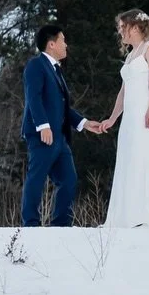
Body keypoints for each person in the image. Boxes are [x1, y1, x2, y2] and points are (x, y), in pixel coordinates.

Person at [87, 8, 149, 228]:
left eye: (122, 28)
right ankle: (125, 216)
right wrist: (113, 118)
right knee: (127, 160)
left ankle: (143, 216)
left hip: (146, 114)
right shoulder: (131, 55)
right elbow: (123, 92)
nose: (120, 32)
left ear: (134, 27)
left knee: (142, 159)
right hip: (131, 118)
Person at [21, 23, 97, 227]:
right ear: (52, 44)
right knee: (36, 179)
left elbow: (62, 107)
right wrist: (42, 126)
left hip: (60, 138)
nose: (66, 45)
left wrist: (84, 123)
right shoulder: (36, 65)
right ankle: (30, 224)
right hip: (42, 134)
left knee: (68, 180)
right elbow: (33, 97)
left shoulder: (56, 71)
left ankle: (61, 225)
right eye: (63, 40)